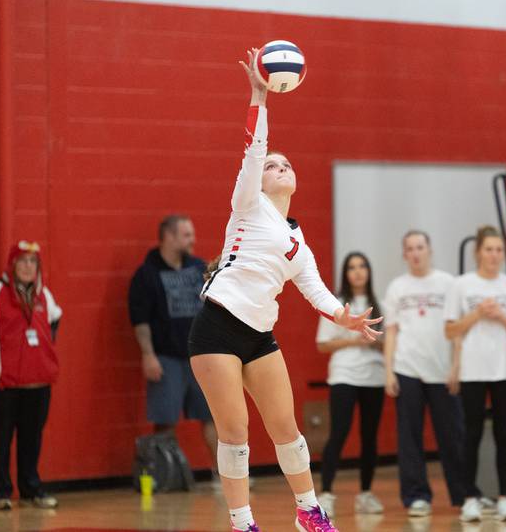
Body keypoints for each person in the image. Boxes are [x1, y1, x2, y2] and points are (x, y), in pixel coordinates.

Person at [187, 48, 381, 532]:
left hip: (258, 334)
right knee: (236, 433)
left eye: (286, 164)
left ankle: (309, 512)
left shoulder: (298, 241)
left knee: (288, 431)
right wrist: (259, 95)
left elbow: (315, 291)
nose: (280, 166)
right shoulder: (247, 203)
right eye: (274, 164)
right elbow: (255, 147)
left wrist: (346, 317)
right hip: (216, 327)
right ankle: (242, 522)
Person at [444, 226, 506, 522]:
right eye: (489, 249)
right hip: (472, 371)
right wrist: (477, 314)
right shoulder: (462, 285)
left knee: (502, 434)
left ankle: (505, 497)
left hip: (504, 370)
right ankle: (470, 497)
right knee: (471, 434)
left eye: (498, 250)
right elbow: (449, 330)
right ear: (477, 252)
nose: (494, 255)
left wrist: (502, 316)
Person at [0, 241, 62, 510]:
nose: (28, 267)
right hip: (5, 382)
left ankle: (32, 489)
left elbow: (54, 320)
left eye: (33, 262)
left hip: (39, 381)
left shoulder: (45, 295)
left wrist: (43, 356)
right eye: (23, 261)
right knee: (2, 437)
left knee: (33, 438)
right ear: (12, 264)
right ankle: (1, 492)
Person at [128, 214, 218, 483]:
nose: (193, 240)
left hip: (200, 356)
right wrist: (148, 355)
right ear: (169, 237)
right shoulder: (147, 274)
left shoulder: (197, 268)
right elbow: (140, 321)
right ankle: (164, 473)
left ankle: (222, 474)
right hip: (166, 357)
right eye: (187, 235)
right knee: (165, 418)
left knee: (212, 416)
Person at [383, 230, 466, 518]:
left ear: (429, 250)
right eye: (410, 248)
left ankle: (463, 494)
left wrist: (457, 365)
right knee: (409, 437)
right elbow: (391, 332)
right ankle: (417, 495)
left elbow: (456, 328)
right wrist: (389, 371)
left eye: (420, 247)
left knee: (452, 435)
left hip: (443, 371)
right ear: (404, 254)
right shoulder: (397, 287)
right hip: (407, 369)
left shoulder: (448, 283)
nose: (416, 253)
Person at [315, 252, 385, 518]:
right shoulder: (335, 304)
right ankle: (326, 494)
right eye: (352, 267)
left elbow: (390, 343)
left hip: (374, 377)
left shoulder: (380, 304)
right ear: (345, 272)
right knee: (339, 433)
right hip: (344, 376)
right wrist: (354, 340)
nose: (358, 271)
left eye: (362, 266)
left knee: (370, 437)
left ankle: (366, 494)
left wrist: (376, 342)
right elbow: (322, 344)